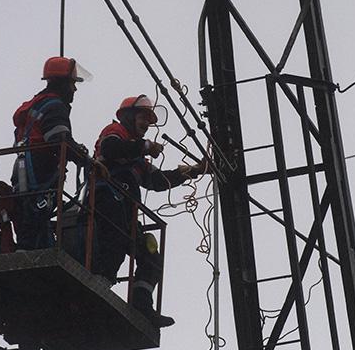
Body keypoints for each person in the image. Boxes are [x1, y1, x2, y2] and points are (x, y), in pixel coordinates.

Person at [75, 94, 208, 327]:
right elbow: (111, 148)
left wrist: (193, 171)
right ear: (128, 116)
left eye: (149, 120)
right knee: (114, 239)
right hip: (105, 202)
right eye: (142, 117)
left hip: (126, 211)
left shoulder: (137, 159)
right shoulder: (114, 131)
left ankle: (142, 304)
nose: (146, 124)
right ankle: (100, 283)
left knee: (150, 254)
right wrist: (145, 147)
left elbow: (158, 181)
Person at [11, 55, 92, 250]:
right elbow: (59, 139)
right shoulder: (55, 107)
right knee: (34, 223)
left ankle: (28, 253)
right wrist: (84, 158)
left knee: (33, 222)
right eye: (72, 84)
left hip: (26, 172)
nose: (75, 89)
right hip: (39, 171)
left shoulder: (38, 105)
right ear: (62, 83)